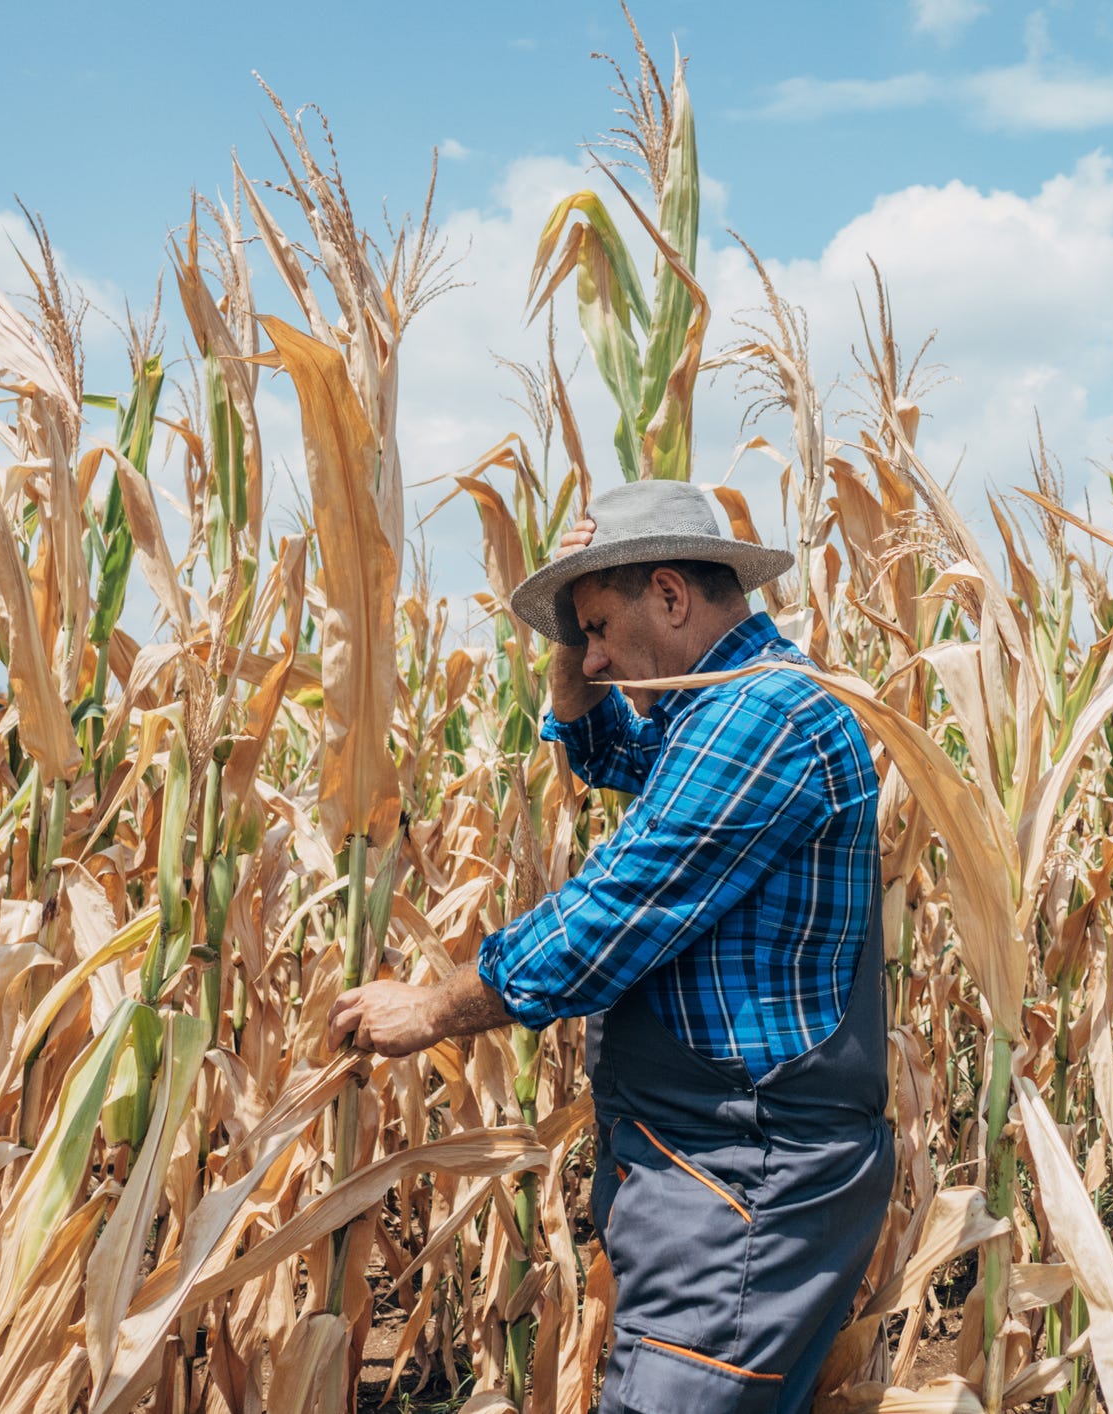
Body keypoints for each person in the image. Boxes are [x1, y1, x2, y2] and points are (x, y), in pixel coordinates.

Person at [327, 479, 892, 1414]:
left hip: (745, 1180)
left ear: (670, 597)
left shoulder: (764, 720)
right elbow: (603, 751)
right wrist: (568, 607)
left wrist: (429, 1009)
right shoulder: (707, 711)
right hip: (706, 1165)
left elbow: (604, 922)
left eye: (595, 629)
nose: (587, 659)